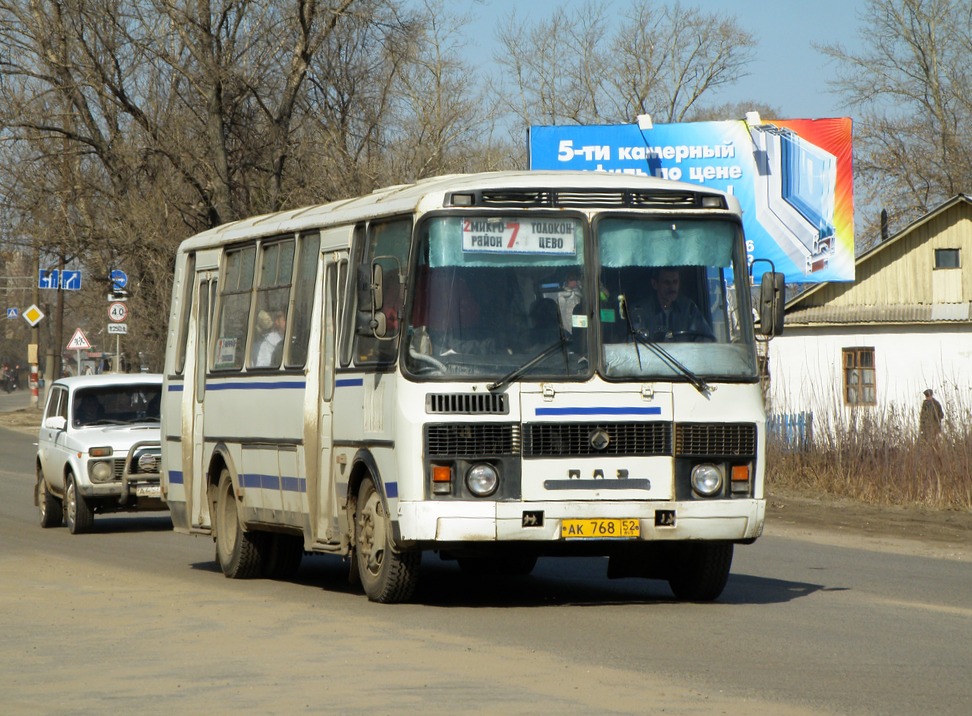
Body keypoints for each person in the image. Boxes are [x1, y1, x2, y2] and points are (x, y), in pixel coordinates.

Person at [630, 267, 713, 341]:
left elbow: (706, 340)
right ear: (655, 284)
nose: (672, 287)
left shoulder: (688, 309)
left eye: (675, 282)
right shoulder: (640, 311)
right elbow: (633, 344)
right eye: (667, 282)